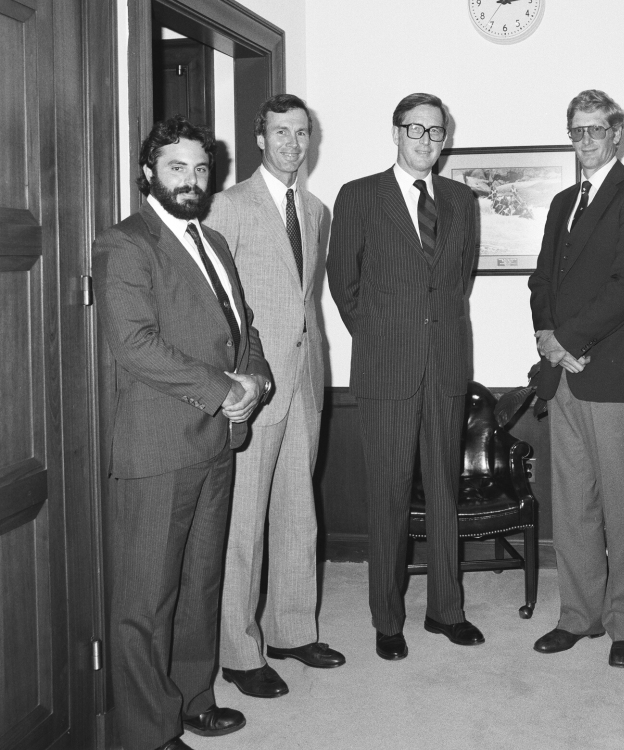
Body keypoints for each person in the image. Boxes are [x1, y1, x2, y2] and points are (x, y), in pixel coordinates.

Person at [93, 117, 271, 750]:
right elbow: (135, 345)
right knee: (146, 597)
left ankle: (194, 697)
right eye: (177, 168)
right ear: (149, 174)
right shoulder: (125, 244)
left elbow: (240, 325)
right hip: (159, 448)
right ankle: (146, 732)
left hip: (216, 440)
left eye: (200, 169)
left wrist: (256, 378)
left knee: (200, 581)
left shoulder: (214, 241)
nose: (191, 180)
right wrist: (226, 389)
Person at [328, 93, 481, 661]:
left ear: (445, 140)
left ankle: (446, 610)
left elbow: (455, 281)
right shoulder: (360, 195)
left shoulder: (463, 200)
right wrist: (383, 337)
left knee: (444, 489)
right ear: (395, 133)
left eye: (436, 132)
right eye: (415, 129)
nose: (425, 140)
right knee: (388, 495)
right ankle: (387, 620)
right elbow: (343, 285)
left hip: (445, 367)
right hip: (386, 369)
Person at [204, 94, 340, 699]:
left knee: (297, 512)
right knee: (243, 523)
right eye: (281, 133)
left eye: (301, 133)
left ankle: (291, 629)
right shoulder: (229, 206)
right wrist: (233, 378)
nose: (292, 143)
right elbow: (213, 300)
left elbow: (305, 297)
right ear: (259, 139)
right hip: (253, 386)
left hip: (306, 380)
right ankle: (238, 649)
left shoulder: (315, 209)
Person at [527, 89, 624, 669]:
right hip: (563, 374)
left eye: (595, 131)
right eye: (577, 132)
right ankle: (578, 616)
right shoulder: (563, 201)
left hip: (612, 373)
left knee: (619, 503)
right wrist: (546, 337)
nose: (585, 141)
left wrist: (570, 339)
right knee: (572, 504)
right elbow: (541, 278)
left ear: (617, 134)